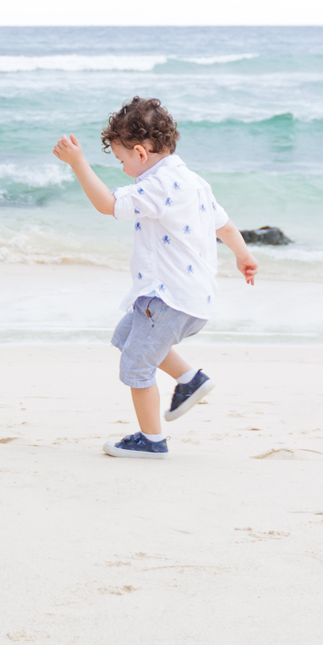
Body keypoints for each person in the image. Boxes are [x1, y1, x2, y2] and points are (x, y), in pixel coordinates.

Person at [52, 97, 258, 459]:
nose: (122, 168)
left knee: (136, 364)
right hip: (193, 300)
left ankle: (151, 440)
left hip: (167, 300)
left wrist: (77, 162)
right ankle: (190, 379)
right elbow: (224, 226)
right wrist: (244, 256)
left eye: (121, 160)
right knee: (126, 335)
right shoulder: (194, 182)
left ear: (140, 153)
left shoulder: (159, 185)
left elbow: (108, 205)